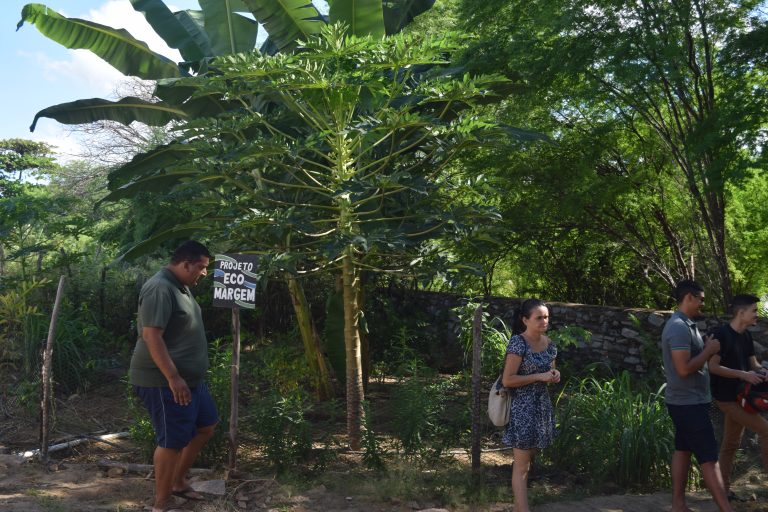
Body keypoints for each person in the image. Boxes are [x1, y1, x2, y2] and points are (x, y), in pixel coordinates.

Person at [129, 241, 219, 512]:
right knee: (172, 442)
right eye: (201, 267)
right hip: (164, 381)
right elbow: (151, 335)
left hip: (190, 380)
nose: (204, 273)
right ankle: (161, 502)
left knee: (207, 424)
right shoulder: (160, 288)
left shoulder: (182, 287)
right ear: (185, 264)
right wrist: (173, 376)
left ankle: (178, 481)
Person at [661, 280, 733, 512]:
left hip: (687, 402)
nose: (703, 303)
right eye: (701, 298)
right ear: (689, 297)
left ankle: (678, 506)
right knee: (709, 458)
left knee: (683, 449)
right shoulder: (679, 327)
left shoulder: (686, 324)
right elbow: (683, 369)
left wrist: (707, 351)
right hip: (688, 403)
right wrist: (709, 350)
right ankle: (726, 509)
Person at [501, 298, 560, 512]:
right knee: (522, 465)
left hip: (541, 408)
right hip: (523, 408)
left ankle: (519, 508)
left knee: (528, 461)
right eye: (539, 317)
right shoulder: (518, 343)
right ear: (525, 320)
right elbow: (508, 380)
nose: (544, 321)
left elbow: (549, 371)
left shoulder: (549, 343)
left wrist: (554, 375)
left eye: (546, 317)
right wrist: (539, 376)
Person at [708, 293, 768, 499]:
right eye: (754, 311)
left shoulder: (746, 335)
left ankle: (722, 491)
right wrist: (742, 375)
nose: (756, 315)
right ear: (741, 313)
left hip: (742, 398)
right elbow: (712, 367)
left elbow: (754, 364)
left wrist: (762, 371)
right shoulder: (721, 334)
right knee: (766, 431)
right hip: (726, 398)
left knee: (730, 444)